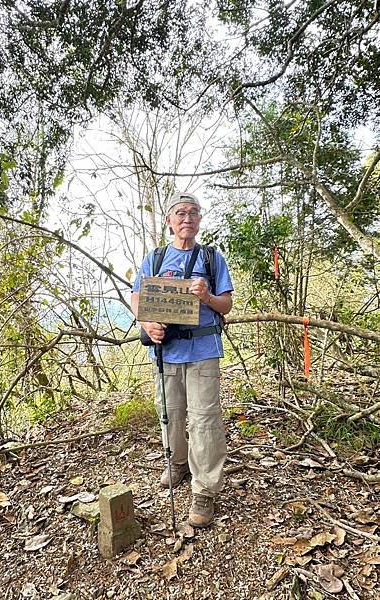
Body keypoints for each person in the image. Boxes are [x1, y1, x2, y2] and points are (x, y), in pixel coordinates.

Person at [131, 192, 233, 528]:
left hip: (203, 349)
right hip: (166, 352)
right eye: (180, 213)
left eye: (193, 213)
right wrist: (147, 323)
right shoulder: (156, 258)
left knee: (204, 420)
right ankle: (177, 462)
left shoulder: (211, 258)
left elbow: (226, 305)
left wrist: (207, 296)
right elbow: (137, 297)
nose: (187, 218)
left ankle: (204, 490)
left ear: (199, 220)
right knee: (170, 414)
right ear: (169, 221)